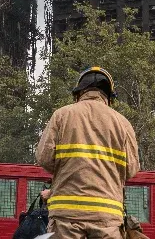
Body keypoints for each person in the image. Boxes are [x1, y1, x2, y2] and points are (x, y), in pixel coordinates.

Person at [37, 67, 140, 239]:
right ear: (109, 97)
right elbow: (131, 169)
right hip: (107, 216)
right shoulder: (123, 123)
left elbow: (44, 158)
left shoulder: (61, 115)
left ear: (79, 93)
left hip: (66, 214)